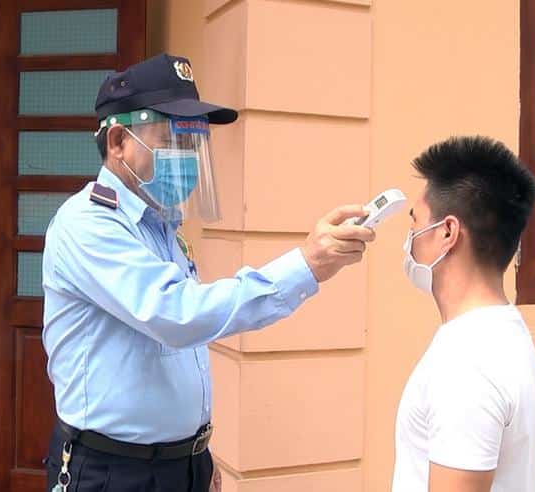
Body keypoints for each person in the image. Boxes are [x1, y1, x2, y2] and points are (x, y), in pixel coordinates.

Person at [41, 53, 375, 492]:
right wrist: (304, 265)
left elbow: (178, 356)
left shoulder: (163, 228)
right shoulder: (88, 224)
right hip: (113, 471)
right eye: (172, 140)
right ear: (119, 140)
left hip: (181, 465)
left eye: (192, 143)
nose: (186, 158)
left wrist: (196, 450)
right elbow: (179, 316)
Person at [392, 136, 535, 492]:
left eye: (415, 224)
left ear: (447, 232)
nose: (410, 239)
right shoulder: (503, 329)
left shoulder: (465, 365)